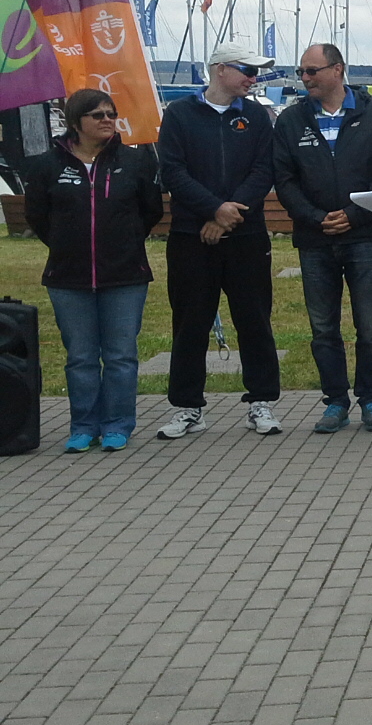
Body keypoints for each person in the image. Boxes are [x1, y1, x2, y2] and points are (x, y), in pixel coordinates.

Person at [273, 43, 372, 434]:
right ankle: (335, 401)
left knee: (371, 326)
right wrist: (315, 218)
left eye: (312, 71)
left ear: (337, 70)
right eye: (302, 71)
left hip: (363, 237)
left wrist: (354, 214)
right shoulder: (291, 120)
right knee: (323, 328)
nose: (305, 78)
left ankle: (371, 399)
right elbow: (284, 179)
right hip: (315, 240)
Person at [23, 90, 163, 452]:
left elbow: (151, 211)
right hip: (68, 277)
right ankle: (83, 425)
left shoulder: (134, 161)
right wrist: (65, 244)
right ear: (75, 121)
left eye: (111, 114)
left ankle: (118, 424)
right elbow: (38, 216)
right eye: (97, 115)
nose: (107, 120)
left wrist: (124, 241)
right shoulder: (47, 165)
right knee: (81, 358)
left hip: (125, 275)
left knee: (120, 356)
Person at [156, 43, 283, 439]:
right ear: (220, 69)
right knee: (189, 322)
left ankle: (261, 401)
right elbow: (172, 172)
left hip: (246, 235)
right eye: (247, 70)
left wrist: (229, 215)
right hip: (191, 236)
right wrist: (212, 209)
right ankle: (188, 406)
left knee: (254, 319)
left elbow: (264, 170)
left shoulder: (258, 117)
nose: (253, 78)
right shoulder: (179, 114)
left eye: (256, 72)